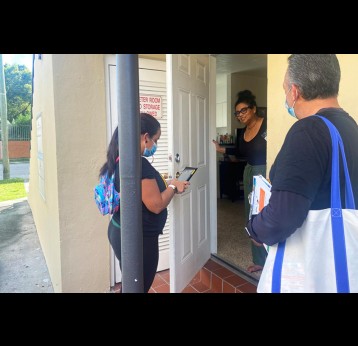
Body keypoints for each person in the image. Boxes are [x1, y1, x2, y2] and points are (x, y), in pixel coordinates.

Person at [245, 54, 358, 251]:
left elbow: (281, 218)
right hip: (340, 251)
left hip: (314, 257)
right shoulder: (349, 125)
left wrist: (255, 229)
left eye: (284, 89)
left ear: (295, 91)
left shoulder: (307, 131)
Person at [101, 113, 190, 293]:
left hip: (121, 230)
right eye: (156, 140)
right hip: (139, 239)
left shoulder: (121, 159)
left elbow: (141, 193)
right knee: (139, 287)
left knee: (131, 283)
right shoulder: (139, 164)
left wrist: (167, 183)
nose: (155, 145)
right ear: (145, 137)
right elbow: (156, 205)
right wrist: (173, 186)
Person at [212, 90, 267, 273]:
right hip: (249, 171)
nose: (240, 115)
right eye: (237, 113)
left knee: (266, 216)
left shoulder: (267, 125)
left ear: (253, 109)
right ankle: (259, 260)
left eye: (243, 110)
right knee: (250, 216)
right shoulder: (243, 131)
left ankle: (272, 260)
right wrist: (222, 150)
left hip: (264, 173)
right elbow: (241, 151)